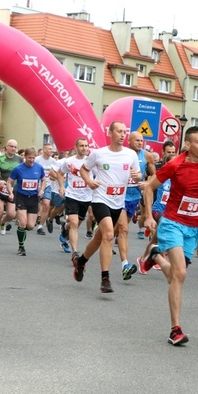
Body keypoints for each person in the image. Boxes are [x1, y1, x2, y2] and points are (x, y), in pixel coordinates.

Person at [142, 126, 198, 345]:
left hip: (193, 227)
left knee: (176, 275)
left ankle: (155, 255)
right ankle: (175, 330)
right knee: (181, 273)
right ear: (188, 144)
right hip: (172, 222)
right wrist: (148, 215)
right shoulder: (175, 164)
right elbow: (149, 187)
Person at [72, 121, 141, 293]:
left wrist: (137, 175)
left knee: (99, 238)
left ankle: (81, 262)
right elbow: (83, 169)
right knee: (109, 234)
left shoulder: (130, 154)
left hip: (118, 202)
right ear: (110, 133)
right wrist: (89, 181)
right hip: (100, 199)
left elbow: (139, 175)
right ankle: (105, 278)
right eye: (119, 131)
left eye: (124, 132)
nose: (122, 135)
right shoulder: (99, 153)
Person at [116, 131, 155, 279]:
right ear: (129, 141)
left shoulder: (147, 155)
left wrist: (147, 182)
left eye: (142, 140)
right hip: (119, 196)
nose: (140, 143)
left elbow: (155, 175)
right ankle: (125, 264)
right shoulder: (122, 153)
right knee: (124, 229)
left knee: (114, 231)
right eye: (137, 140)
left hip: (134, 196)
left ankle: (102, 239)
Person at [54, 137, 93, 255]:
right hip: (72, 195)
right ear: (76, 148)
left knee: (76, 223)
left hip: (86, 196)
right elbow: (60, 174)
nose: (84, 148)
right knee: (74, 223)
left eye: (86, 145)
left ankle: (65, 228)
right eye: (81, 146)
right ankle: (75, 253)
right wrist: (61, 187)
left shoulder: (91, 161)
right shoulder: (69, 161)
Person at [7, 147, 46, 257]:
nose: (31, 160)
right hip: (21, 197)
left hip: (33, 198)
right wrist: (10, 193)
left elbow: (43, 180)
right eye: (29, 158)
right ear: (24, 157)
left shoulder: (39, 168)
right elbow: (9, 182)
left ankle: (22, 230)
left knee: (30, 226)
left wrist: (42, 190)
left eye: (33, 158)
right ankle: (21, 246)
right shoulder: (18, 169)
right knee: (23, 223)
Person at [0, 139, 22, 244]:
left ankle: (3, 223)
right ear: (6, 147)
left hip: (12, 190)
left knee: (11, 214)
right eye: (11, 146)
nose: (13, 148)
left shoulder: (20, 159)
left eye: (15, 147)